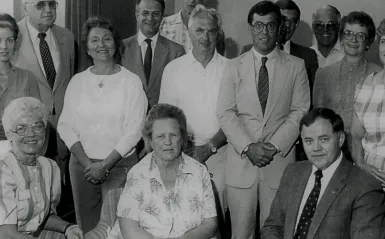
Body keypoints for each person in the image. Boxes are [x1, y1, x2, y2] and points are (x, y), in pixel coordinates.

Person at [217, 1, 310, 238]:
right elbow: (226, 112)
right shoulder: (233, 66)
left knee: (276, 232)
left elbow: (300, 110)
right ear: (250, 27)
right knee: (240, 234)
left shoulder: (296, 66)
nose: (264, 32)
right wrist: (249, 147)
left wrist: (273, 146)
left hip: (277, 162)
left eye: (270, 25)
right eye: (258, 25)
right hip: (241, 164)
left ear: (279, 28)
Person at [57, 16, 148, 233]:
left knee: (118, 228)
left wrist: (105, 165)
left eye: (106, 39)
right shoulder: (78, 82)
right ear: (87, 48)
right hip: (82, 167)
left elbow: (134, 130)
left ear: (115, 43)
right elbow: (65, 125)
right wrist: (88, 163)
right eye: (94, 40)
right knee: (87, 228)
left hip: (119, 166)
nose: (101, 45)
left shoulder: (131, 82)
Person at [261, 108, 385, 239]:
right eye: (308, 141)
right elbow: (273, 226)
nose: (316, 148)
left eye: (323, 139)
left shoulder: (365, 186)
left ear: (341, 139)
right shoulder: (293, 172)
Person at [159, 4, 228, 229]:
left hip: (223, 155)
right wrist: (187, 150)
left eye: (210, 31)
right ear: (189, 33)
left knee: (218, 222)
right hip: (183, 154)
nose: (205, 37)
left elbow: (235, 116)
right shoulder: (173, 69)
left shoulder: (232, 69)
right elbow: (166, 118)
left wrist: (210, 147)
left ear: (218, 33)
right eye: (199, 30)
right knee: (184, 221)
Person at [107, 103, 218, 239]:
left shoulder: (200, 172)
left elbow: (210, 223)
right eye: (160, 136)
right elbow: (128, 228)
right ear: (150, 141)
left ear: (182, 138)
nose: (168, 142)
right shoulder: (137, 174)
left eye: (173, 135)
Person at [0, 97, 83, 239]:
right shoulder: (4, 170)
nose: (31, 134)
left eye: (37, 126)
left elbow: (40, 219)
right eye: (21, 128)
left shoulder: (50, 167)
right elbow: (6, 234)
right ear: (9, 134)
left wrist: (68, 227)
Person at [12, 0, 75, 167]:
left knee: (57, 188)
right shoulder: (12, 37)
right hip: (27, 132)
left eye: (52, 4)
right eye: (40, 5)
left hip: (63, 131)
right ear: (25, 7)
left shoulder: (67, 37)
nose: (48, 10)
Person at [313, 11, 382, 161]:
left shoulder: (380, 75)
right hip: (330, 151)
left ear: (369, 42)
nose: (353, 40)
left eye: (360, 36)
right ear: (342, 38)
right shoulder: (324, 74)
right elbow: (317, 118)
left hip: (369, 151)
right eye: (348, 33)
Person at [241, 0, 319, 92]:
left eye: (293, 21)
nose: (287, 25)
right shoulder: (248, 50)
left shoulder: (308, 56)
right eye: (284, 19)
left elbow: (311, 96)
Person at [122, 0, 185, 109]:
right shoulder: (121, 48)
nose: (150, 18)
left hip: (162, 119)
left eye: (156, 13)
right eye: (145, 13)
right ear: (137, 16)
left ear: (162, 17)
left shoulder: (177, 51)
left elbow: (180, 92)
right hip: (128, 118)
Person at [352, 19, 385, 189]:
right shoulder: (365, 86)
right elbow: (356, 136)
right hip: (369, 182)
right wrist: (361, 165)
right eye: (384, 41)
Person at [0, 14, 40, 140]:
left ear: (16, 43)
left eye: (10, 40)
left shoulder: (28, 78)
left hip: (18, 151)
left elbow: (37, 120)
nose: (4, 46)